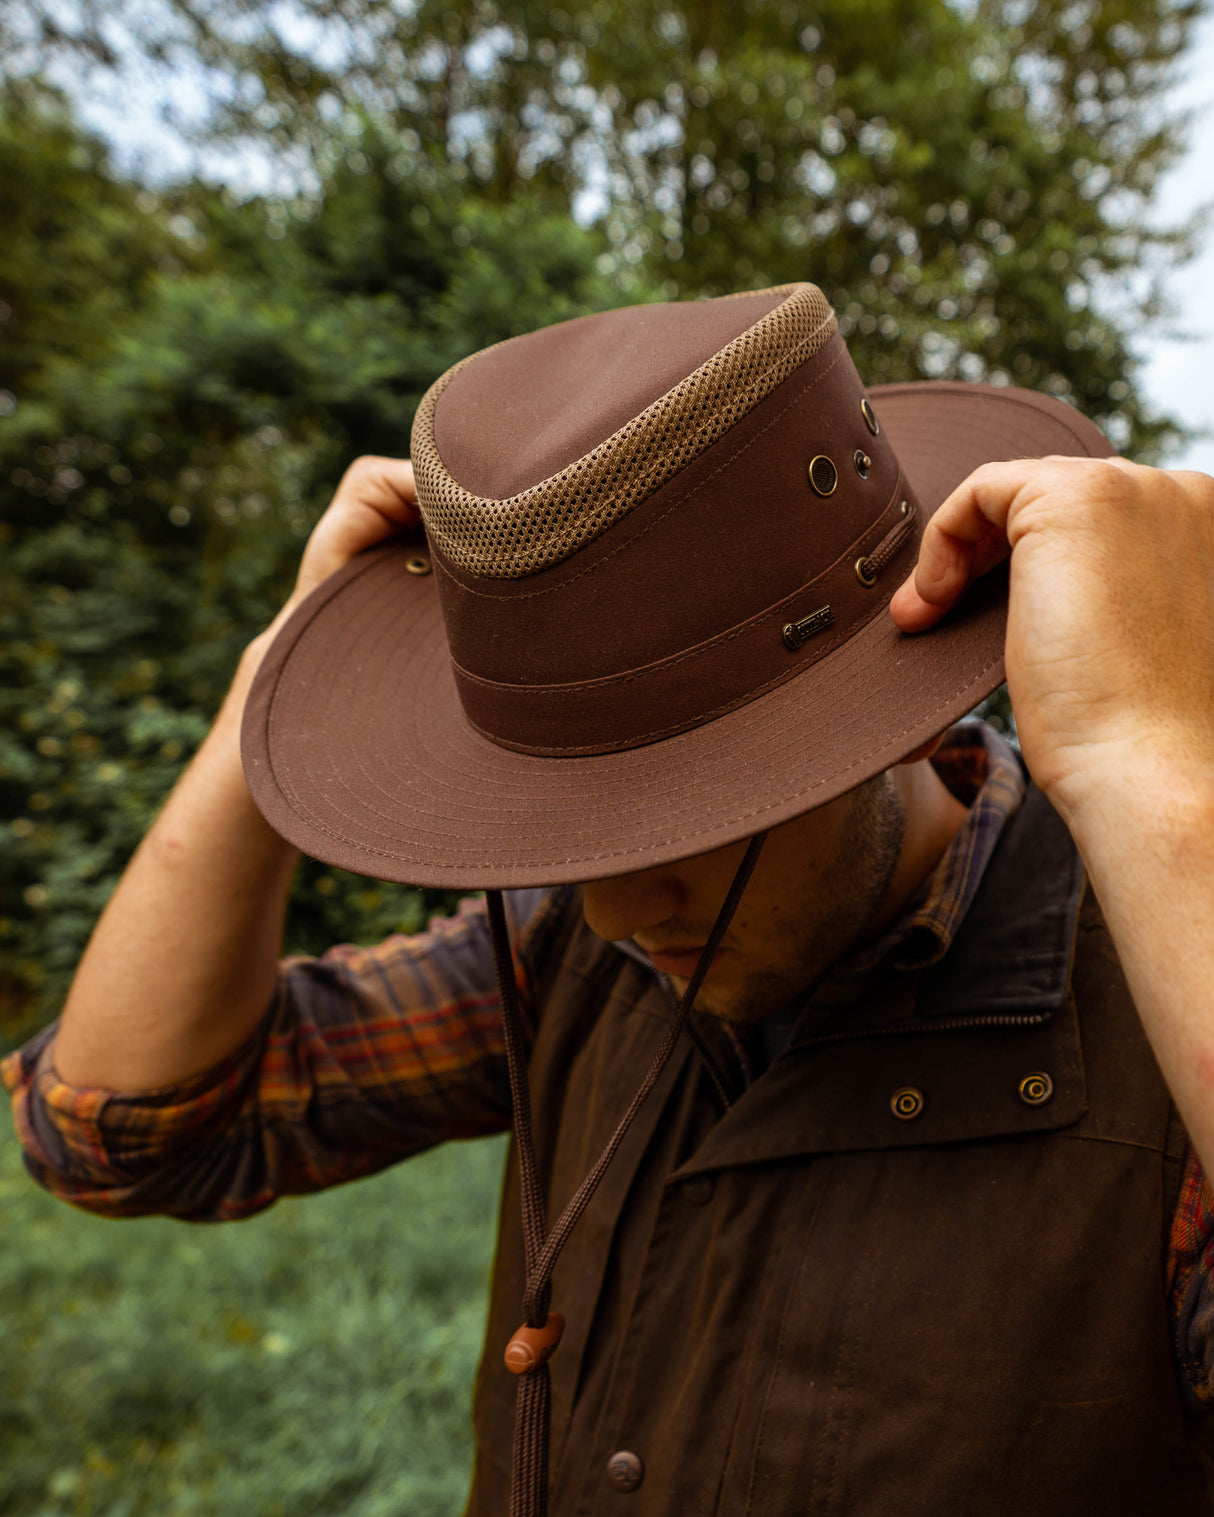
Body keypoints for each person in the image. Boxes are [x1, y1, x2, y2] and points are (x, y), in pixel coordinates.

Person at [6, 280, 1214, 1515]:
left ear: (890, 718)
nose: (614, 909)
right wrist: (275, 676)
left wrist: (1144, 760)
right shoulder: (570, 953)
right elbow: (116, 1133)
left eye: (699, 808)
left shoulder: (1162, 1003)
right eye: (567, 824)